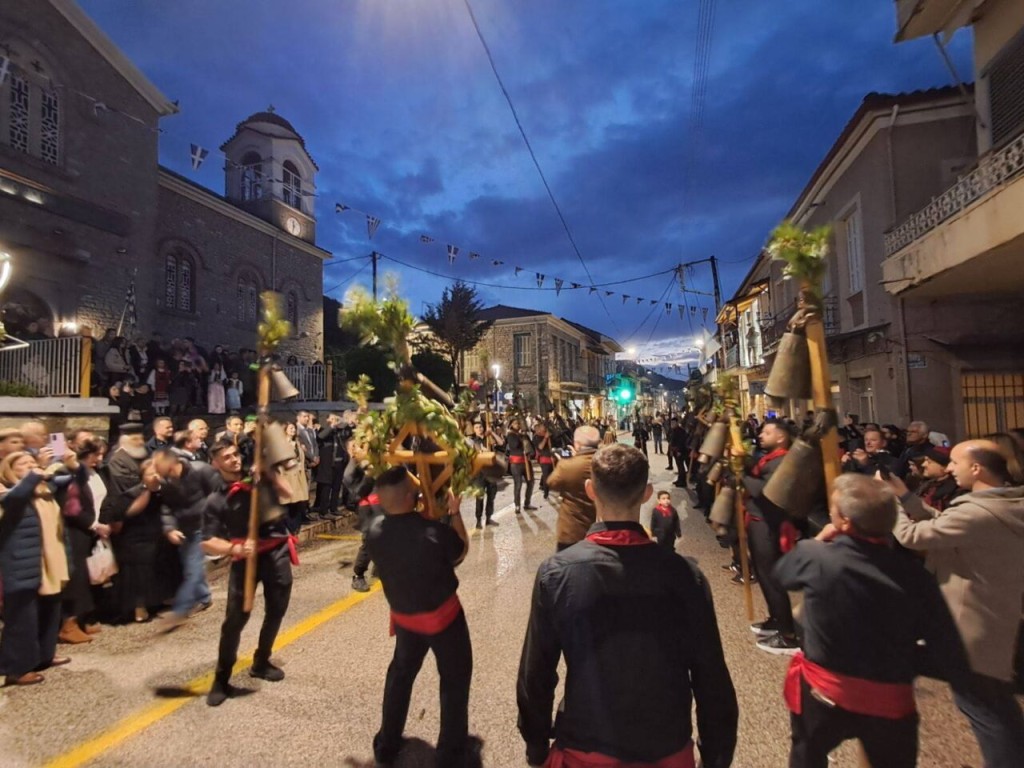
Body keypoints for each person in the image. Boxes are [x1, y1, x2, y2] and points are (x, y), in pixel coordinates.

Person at [517, 444, 738, 766]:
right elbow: (711, 676)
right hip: (666, 747)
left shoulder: (557, 573)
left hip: (585, 746)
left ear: (590, 490)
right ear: (647, 493)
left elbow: (535, 673)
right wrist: (716, 755)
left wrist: (536, 746)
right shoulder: (684, 575)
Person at [775, 474, 971, 768]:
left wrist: (819, 540)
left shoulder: (816, 556)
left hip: (825, 692)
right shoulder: (915, 576)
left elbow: (784, 575)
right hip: (889, 698)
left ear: (844, 522)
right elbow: (944, 643)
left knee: (807, 755)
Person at [891, 441, 1024, 767]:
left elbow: (913, 536)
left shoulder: (976, 512)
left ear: (976, 468)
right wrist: (906, 497)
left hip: (969, 626)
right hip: (993, 616)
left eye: (954, 462)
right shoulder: (1005, 503)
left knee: (983, 710)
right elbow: (946, 523)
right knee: (996, 705)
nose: (949, 468)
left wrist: (889, 505)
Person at [364, 467, 472, 766]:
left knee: (400, 676)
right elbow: (460, 551)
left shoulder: (373, 533)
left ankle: (387, 743)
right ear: (412, 497)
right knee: (454, 680)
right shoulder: (434, 533)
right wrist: (454, 513)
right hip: (444, 619)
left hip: (405, 618)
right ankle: (450, 754)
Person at [201, 438, 295, 707]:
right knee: (235, 620)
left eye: (235, 454)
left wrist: (268, 473)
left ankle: (261, 661)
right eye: (227, 457)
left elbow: (288, 493)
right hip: (245, 559)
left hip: (276, 553)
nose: (234, 459)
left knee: (276, 610)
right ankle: (221, 679)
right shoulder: (216, 499)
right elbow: (206, 541)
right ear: (215, 463)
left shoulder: (258, 481)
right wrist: (234, 548)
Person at [0, 453, 71, 686]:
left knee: (49, 611)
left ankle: (43, 656)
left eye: (33, 463)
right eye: (23, 464)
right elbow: (13, 500)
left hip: (49, 561)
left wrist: (64, 463)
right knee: (23, 618)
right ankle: (17, 668)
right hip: (21, 563)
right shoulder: (6, 491)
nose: (31, 466)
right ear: (9, 470)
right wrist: (32, 477)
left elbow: (69, 478)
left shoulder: (44, 490)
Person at [740, 418, 799, 653]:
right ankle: (776, 619)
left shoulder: (782, 461)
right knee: (764, 574)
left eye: (767, 432)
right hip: (758, 521)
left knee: (771, 577)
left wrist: (741, 476)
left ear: (781, 437)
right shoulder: (770, 458)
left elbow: (764, 491)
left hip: (767, 524)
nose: (761, 435)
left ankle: (788, 635)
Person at [152, 449, 220, 631]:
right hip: (184, 529)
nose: (156, 469)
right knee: (191, 567)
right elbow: (167, 507)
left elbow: (219, 493)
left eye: (158, 466)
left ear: (171, 463)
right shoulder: (166, 482)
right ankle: (204, 598)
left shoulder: (200, 470)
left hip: (203, 526)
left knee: (192, 568)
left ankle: (179, 611)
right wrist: (170, 528)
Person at [104, 459, 165, 624]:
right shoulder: (133, 494)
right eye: (150, 474)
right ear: (142, 476)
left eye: (157, 473)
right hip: (135, 538)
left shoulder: (164, 491)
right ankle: (139, 606)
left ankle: (157, 601)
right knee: (139, 568)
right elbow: (120, 516)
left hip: (156, 536)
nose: (155, 476)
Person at [546, 425, 601, 552]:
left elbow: (552, 482)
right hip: (600, 530)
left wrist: (564, 462)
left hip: (572, 531)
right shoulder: (606, 462)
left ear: (577, 444)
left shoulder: (568, 466)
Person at [315, 413, 350, 519]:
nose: (335, 420)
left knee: (336, 487)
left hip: (339, 463)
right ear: (327, 420)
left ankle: (334, 508)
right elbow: (320, 437)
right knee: (326, 488)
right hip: (328, 464)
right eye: (332, 418)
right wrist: (332, 426)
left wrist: (346, 422)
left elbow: (348, 433)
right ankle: (323, 511)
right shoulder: (323, 430)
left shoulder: (339, 432)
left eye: (336, 418)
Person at [279, 422, 309, 534]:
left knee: (298, 501)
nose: (293, 430)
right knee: (288, 502)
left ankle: (296, 527)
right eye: (291, 428)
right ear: (285, 430)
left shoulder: (297, 443)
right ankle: (289, 527)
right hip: (288, 476)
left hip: (298, 476)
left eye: (294, 428)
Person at [468, 421, 499, 528]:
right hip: (479, 473)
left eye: (480, 426)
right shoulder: (472, 441)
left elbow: (500, 443)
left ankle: (489, 517)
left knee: (491, 496)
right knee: (480, 497)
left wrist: (492, 433)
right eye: (476, 427)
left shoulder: (488, 438)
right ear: (474, 430)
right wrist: (480, 452)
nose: (479, 429)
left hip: (490, 472)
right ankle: (478, 519)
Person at [505, 417, 536, 514]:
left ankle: (527, 503)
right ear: (511, 425)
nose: (517, 425)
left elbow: (531, 446)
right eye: (515, 423)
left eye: (518, 423)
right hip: (516, 464)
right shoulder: (510, 435)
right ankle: (517, 505)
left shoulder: (524, 435)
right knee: (518, 484)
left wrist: (525, 437)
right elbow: (514, 445)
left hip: (526, 462)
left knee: (531, 482)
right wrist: (521, 437)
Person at [533, 421, 555, 501]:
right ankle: (546, 494)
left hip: (552, 458)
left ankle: (544, 486)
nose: (544, 427)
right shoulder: (536, 437)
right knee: (546, 476)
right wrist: (545, 438)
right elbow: (540, 447)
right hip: (544, 459)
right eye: (542, 426)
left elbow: (552, 446)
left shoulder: (549, 435)